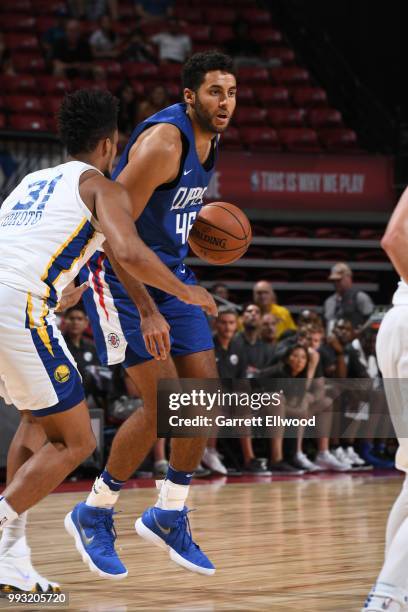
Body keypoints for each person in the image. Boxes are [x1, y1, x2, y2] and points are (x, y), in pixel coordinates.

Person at [0, 89, 216, 593]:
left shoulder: (32, 181)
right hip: (19, 309)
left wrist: (62, 290)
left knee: (37, 417)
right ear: (110, 143)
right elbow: (130, 253)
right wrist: (185, 289)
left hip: (19, 300)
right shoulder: (104, 188)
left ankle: (11, 555)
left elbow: (27, 248)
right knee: (75, 441)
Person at [72, 51, 237, 578]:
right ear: (189, 96)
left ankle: (169, 514)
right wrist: (147, 310)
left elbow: (170, 222)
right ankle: (93, 510)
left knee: (202, 396)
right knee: (163, 403)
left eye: (231, 93)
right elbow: (116, 235)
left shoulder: (212, 137)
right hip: (121, 277)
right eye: (215, 92)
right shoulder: (165, 143)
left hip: (168, 271)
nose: (225, 102)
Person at [361, 188, 408, 611]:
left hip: (397, 324)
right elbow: (394, 240)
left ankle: (395, 590)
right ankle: (388, 596)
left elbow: (395, 237)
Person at [323, 262, 374, 334]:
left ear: (349, 278)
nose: (336, 283)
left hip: (355, 341)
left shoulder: (359, 297)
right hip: (333, 341)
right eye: (334, 280)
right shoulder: (329, 302)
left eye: (339, 280)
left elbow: (372, 319)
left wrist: (360, 332)